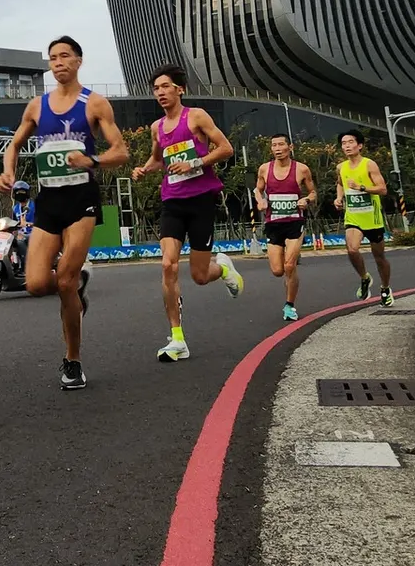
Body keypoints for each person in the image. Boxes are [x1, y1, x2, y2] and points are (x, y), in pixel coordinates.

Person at [0, 36, 129, 390]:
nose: (58, 63)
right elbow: (15, 144)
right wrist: (8, 172)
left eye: (65, 56)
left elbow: (121, 151)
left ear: (78, 61)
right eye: (53, 57)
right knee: (39, 284)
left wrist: (93, 160)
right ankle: (76, 295)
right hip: (50, 200)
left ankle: (72, 360)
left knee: (66, 281)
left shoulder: (94, 104)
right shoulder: (37, 106)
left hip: (81, 199)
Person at [131, 63, 243, 362]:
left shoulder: (196, 117)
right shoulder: (157, 127)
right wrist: (144, 169)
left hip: (201, 201)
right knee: (168, 266)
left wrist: (194, 164)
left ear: (179, 89)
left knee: (200, 276)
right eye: (156, 89)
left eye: (165, 86)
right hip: (172, 201)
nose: (160, 93)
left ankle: (224, 270)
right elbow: (158, 160)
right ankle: (177, 339)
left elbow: (226, 148)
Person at [255, 134, 317, 322]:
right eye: (274, 145)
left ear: (290, 146)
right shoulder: (265, 169)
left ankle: (289, 305)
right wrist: (260, 200)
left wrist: (306, 200)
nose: (277, 148)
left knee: (289, 266)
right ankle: (290, 273)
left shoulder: (302, 169)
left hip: (294, 223)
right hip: (273, 224)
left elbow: (313, 192)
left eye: (281, 144)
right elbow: (257, 189)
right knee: (277, 270)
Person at [330, 130, 394, 306]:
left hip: (372, 219)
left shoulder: (369, 165)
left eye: (351, 142)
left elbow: (382, 189)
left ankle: (385, 288)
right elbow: (340, 183)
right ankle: (365, 277)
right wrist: (339, 198)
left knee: (379, 257)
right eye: (343, 143)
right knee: (352, 249)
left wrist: (362, 187)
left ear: (360, 145)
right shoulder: (341, 167)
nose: (347, 146)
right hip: (353, 218)